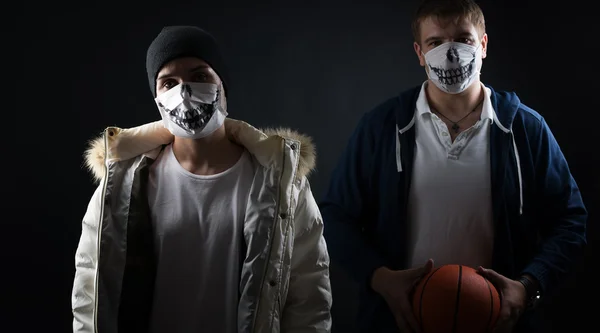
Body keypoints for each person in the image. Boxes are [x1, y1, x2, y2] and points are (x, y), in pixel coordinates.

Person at [319, 0, 587, 332]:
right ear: (419, 52)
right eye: (436, 42)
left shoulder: (526, 129)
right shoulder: (382, 127)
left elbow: (571, 221)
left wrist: (529, 284)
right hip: (400, 323)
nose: (451, 52)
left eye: (463, 39)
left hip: (500, 324)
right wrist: (380, 277)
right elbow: (333, 215)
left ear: (484, 45)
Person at [71, 25, 332, 333]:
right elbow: (90, 293)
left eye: (200, 76)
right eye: (169, 82)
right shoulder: (122, 186)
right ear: (156, 98)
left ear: (223, 86)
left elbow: (309, 298)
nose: (184, 91)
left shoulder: (281, 184)